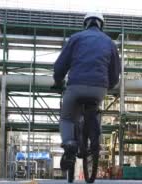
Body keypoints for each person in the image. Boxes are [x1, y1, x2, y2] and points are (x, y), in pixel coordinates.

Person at [53, 12, 121, 171]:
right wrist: (108, 85)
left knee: (67, 118)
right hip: (99, 88)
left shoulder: (76, 38)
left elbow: (60, 66)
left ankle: (70, 144)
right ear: (101, 25)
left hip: (76, 85)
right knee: (95, 110)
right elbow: (115, 71)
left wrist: (58, 81)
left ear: (86, 24)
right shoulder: (110, 42)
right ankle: (95, 137)